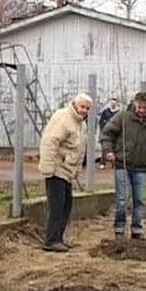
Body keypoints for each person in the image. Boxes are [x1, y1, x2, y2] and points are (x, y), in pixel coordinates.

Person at [100, 91, 146, 239]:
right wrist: (108, 151)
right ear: (135, 103)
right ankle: (119, 229)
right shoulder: (123, 117)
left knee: (140, 200)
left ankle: (137, 229)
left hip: (141, 166)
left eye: (144, 107)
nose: (141, 110)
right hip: (122, 164)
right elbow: (107, 133)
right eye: (139, 107)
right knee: (122, 199)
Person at [38, 93, 92, 252]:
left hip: (66, 171)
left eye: (87, 108)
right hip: (56, 169)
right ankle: (51, 240)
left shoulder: (81, 123)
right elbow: (49, 142)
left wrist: (76, 171)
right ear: (75, 104)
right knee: (57, 206)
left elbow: (80, 149)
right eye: (82, 107)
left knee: (66, 205)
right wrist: (48, 168)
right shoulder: (64, 118)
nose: (84, 111)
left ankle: (58, 238)